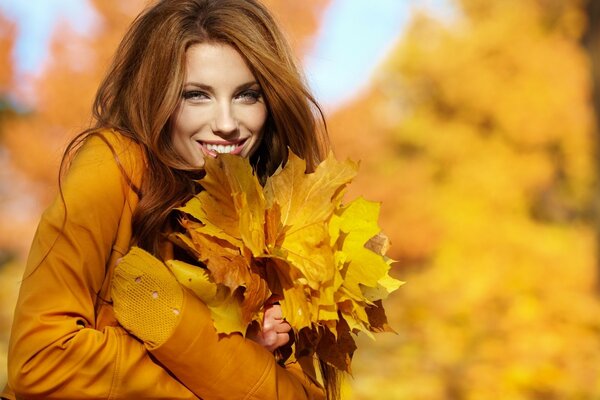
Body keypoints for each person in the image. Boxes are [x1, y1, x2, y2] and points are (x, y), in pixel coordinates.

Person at [1, 0, 341, 398]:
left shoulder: (274, 215)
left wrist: (185, 330)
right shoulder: (114, 165)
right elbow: (40, 360)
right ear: (156, 96)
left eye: (248, 95)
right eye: (196, 95)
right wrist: (219, 364)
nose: (228, 123)